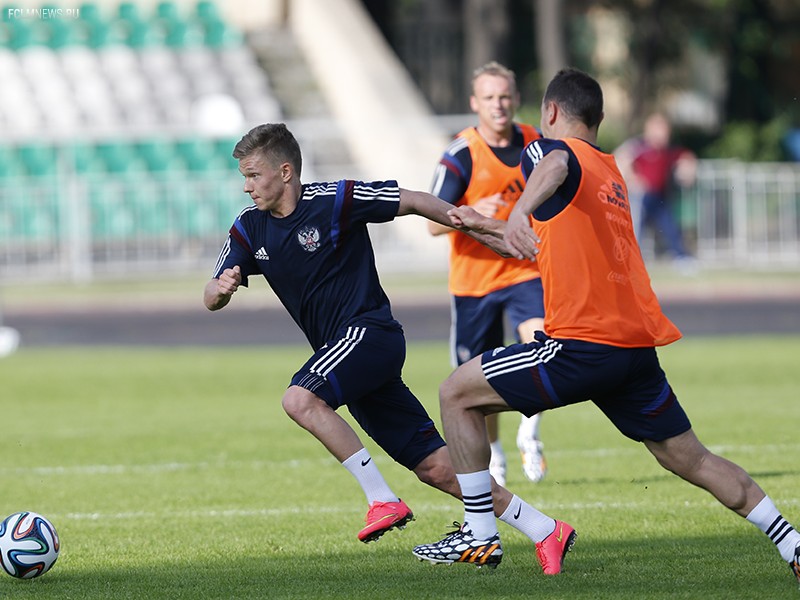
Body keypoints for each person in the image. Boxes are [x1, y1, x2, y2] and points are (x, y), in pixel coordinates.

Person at [412, 69, 800, 587]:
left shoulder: (553, 151)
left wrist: (521, 207)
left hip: (582, 345)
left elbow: (553, 164)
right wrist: (480, 222)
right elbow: (523, 240)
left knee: (456, 393)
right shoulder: (609, 172)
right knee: (693, 459)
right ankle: (793, 545)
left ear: (550, 113)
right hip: (633, 349)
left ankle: (481, 532)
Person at [204, 123, 574, 574]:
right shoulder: (248, 228)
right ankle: (544, 529)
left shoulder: (336, 200)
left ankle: (381, 499)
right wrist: (220, 290)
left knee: (299, 399)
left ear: (285, 171)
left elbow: (413, 200)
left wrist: (465, 218)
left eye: (253, 175)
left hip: (369, 334)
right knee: (436, 468)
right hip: (345, 358)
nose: (246, 186)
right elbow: (209, 294)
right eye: (243, 176)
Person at [429, 61, 547, 485]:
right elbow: (431, 223)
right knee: (478, 380)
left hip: (523, 270)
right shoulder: (462, 152)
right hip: (474, 284)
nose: (499, 105)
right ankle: (495, 454)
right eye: (490, 97)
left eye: (505, 96)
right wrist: (474, 215)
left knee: (541, 349)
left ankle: (529, 435)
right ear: (475, 103)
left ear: (515, 99)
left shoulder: (537, 143)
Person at [615, 112, 697, 269]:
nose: (663, 134)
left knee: (670, 227)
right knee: (633, 228)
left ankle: (681, 257)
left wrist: (688, 166)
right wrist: (633, 179)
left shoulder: (668, 151)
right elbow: (620, 158)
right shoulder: (638, 146)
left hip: (659, 198)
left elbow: (685, 156)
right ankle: (630, 260)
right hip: (640, 198)